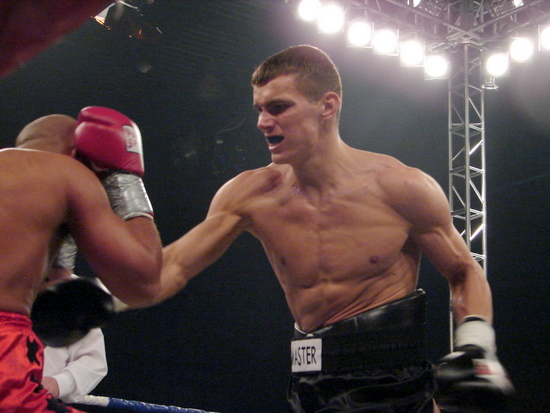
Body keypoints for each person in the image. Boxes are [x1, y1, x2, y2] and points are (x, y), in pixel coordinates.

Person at [158, 45, 513, 412]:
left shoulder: (401, 187)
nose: (263, 121)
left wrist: (476, 343)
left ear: (327, 106)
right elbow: (175, 264)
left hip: (391, 382)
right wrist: (117, 289)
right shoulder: (249, 194)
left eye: (278, 107)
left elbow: (463, 269)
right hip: (309, 383)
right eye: (260, 109)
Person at [0, 107, 162, 413]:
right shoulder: (68, 171)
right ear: (77, 153)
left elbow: (50, 284)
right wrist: (123, 177)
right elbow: (143, 283)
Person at [40, 238, 108, 405]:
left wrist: (59, 383)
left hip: (41, 402)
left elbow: (93, 360)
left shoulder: (75, 294)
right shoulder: (8, 282)